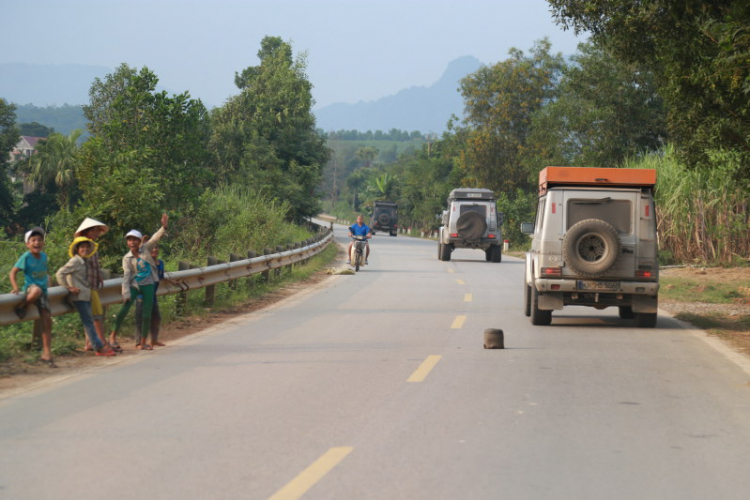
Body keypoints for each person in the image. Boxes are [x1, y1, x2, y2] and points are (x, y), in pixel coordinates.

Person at [109, 213, 169, 350]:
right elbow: (126, 276)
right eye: (129, 240)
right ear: (127, 242)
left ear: (139, 241)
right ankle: (112, 336)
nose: (132, 242)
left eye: (135, 240)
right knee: (124, 310)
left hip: (148, 285)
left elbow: (155, 238)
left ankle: (143, 342)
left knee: (147, 314)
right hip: (135, 285)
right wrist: (125, 293)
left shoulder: (146, 249)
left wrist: (163, 227)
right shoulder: (127, 258)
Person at [56, 237, 117, 357]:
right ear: (77, 249)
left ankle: (96, 345)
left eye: (87, 247)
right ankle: (98, 348)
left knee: (89, 321)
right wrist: (68, 287)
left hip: (85, 295)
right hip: (79, 296)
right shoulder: (75, 261)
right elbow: (60, 273)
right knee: (89, 322)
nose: (85, 249)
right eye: (82, 247)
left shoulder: (85, 261)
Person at [9, 227, 55, 367]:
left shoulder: (44, 256)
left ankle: (47, 354)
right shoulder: (26, 257)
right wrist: (16, 287)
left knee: (47, 323)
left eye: (40, 240)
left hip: (43, 291)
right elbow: (13, 272)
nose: (37, 242)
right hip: (31, 289)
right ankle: (23, 305)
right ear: (27, 244)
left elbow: (44, 274)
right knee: (36, 291)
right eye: (33, 240)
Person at [73, 218, 114, 351]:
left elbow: (94, 266)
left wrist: (99, 277)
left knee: (92, 315)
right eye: (93, 230)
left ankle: (89, 342)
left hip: (92, 284)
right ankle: (102, 342)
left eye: (97, 230)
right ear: (87, 231)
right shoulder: (82, 246)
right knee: (96, 315)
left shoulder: (91, 245)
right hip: (87, 286)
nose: (96, 232)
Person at [134, 241, 165, 347]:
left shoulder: (160, 263)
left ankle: (154, 340)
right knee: (141, 318)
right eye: (152, 248)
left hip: (152, 295)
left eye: (156, 248)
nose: (155, 250)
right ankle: (138, 342)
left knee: (156, 317)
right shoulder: (145, 263)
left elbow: (160, 277)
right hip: (142, 294)